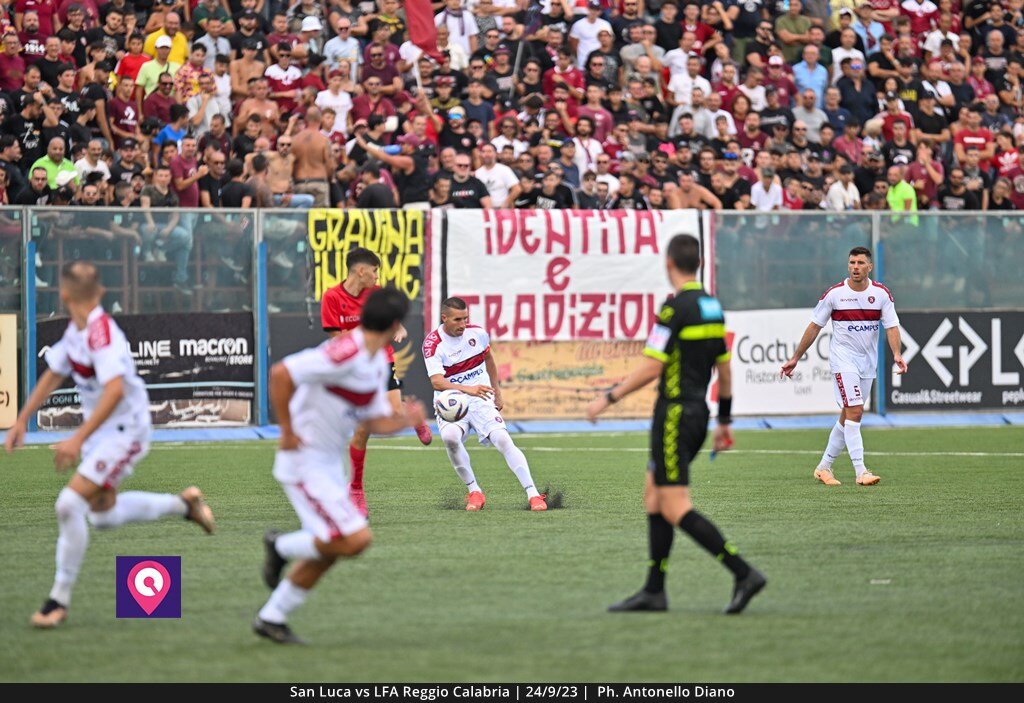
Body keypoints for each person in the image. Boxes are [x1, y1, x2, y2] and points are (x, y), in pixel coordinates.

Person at [3, 262, 215, 629]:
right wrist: (22, 419)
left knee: (68, 505)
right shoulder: (76, 331)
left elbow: (115, 390)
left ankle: (58, 601)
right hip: (103, 432)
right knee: (102, 516)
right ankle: (184, 505)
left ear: (63, 295)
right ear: (99, 292)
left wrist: (77, 438)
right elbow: (54, 373)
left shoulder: (102, 333)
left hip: (126, 431)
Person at [586, 234, 765, 614]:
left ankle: (743, 572)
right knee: (653, 495)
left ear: (669, 263)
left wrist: (608, 398)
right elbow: (724, 369)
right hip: (699, 413)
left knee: (674, 505)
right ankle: (654, 590)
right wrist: (725, 420)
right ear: (698, 263)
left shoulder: (673, 308)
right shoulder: (712, 306)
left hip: (674, 416)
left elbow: (653, 366)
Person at [254, 288, 427, 645]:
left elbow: (372, 422)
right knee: (355, 539)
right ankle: (281, 546)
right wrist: (287, 432)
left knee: (331, 549)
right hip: (304, 463)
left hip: (329, 468)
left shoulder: (376, 362)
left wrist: (404, 420)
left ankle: (272, 617)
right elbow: (281, 373)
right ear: (395, 324)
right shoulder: (346, 350)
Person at [781, 247, 908, 487]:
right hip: (843, 360)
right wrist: (796, 357)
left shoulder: (881, 294)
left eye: (860, 263)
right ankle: (861, 471)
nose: (855, 267)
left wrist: (897, 354)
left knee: (848, 415)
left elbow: (891, 326)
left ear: (869, 267)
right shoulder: (835, 294)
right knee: (856, 411)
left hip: (867, 363)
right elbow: (814, 326)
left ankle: (823, 467)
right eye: (852, 263)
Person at [320, 248, 433, 515]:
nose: (376, 276)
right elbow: (336, 339)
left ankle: (409, 414)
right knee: (362, 430)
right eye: (374, 271)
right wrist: (368, 334)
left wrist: (398, 327)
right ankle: (356, 490)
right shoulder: (332, 297)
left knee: (392, 413)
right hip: (353, 366)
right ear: (361, 271)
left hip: (381, 361)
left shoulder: (376, 294)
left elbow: (393, 322)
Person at [423, 297, 547, 512]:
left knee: (503, 439)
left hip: (481, 397)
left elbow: (489, 360)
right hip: (451, 401)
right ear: (444, 318)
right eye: (457, 319)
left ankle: (533, 494)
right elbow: (437, 382)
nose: (463, 324)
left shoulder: (477, 334)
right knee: (450, 438)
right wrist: (468, 389)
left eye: (465, 318)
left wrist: (497, 392)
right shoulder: (432, 344)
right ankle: (475, 491)